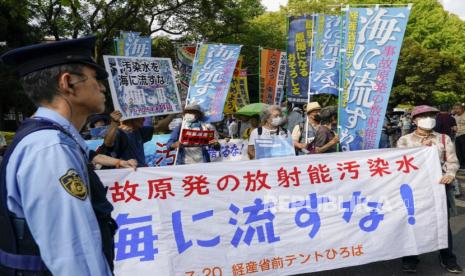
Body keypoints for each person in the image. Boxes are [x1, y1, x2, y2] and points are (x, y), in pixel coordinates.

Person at [0, 36, 114, 275]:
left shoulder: (47, 140)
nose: (103, 87)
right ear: (69, 83)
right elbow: (74, 254)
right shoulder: (51, 148)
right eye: (96, 78)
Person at [397, 105, 462, 274]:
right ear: (414, 120)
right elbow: (400, 165)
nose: (428, 118)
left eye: (431, 115)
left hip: (439, 186)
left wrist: (450, 173)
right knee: (413, 221)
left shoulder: (443, 138)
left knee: (442, 222)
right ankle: (411, 257)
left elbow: (453, 161)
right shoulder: (404, 140)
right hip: (415, 189)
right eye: (423, 115)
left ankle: (447, 257)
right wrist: (420, 150)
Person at [452, 103, 465, 168]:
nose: (456, 110)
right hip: (457, 135)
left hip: (464, 134)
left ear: (462, 109)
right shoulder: (455, 116)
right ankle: (461, 165)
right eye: (455, 109)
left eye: (458, 108)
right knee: (458, 151)